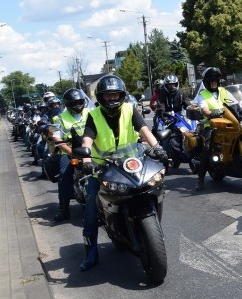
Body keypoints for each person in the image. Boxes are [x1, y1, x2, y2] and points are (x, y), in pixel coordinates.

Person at [77, 75, 166, 271]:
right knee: (91, 212)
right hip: (103, 168)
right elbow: (87, 141)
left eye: (115, 94)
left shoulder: (129, 109)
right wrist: (86, 161)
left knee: (152, 186)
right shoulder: (94, 115)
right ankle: (90, 255)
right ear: (101, 97)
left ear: (122, 95)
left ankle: (154, 233)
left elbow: (144, 129)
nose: (112, 99)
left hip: (131, 162)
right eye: (107, 96)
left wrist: (158, 148)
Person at [50, 88, 90, 222]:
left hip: (91, 150)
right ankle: (64, 209)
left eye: (80, 101)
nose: (77, 105)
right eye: (74, 103)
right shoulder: (58, 117)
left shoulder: (91, 113)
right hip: (68, 151)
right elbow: (55, 137)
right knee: (64, 175)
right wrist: (70, 151)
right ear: (67, 104)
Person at [192, 67, 230, 191]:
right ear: (207, 82)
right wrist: (210, 113)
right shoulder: (203, 94)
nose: (214, 81)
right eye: (211, 80)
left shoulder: (224, 91)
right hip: (211, 125)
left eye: (216, 79)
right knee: (207, 148)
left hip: (228, 122)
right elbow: (204, 109)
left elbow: (235, 102)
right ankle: (200, 178)